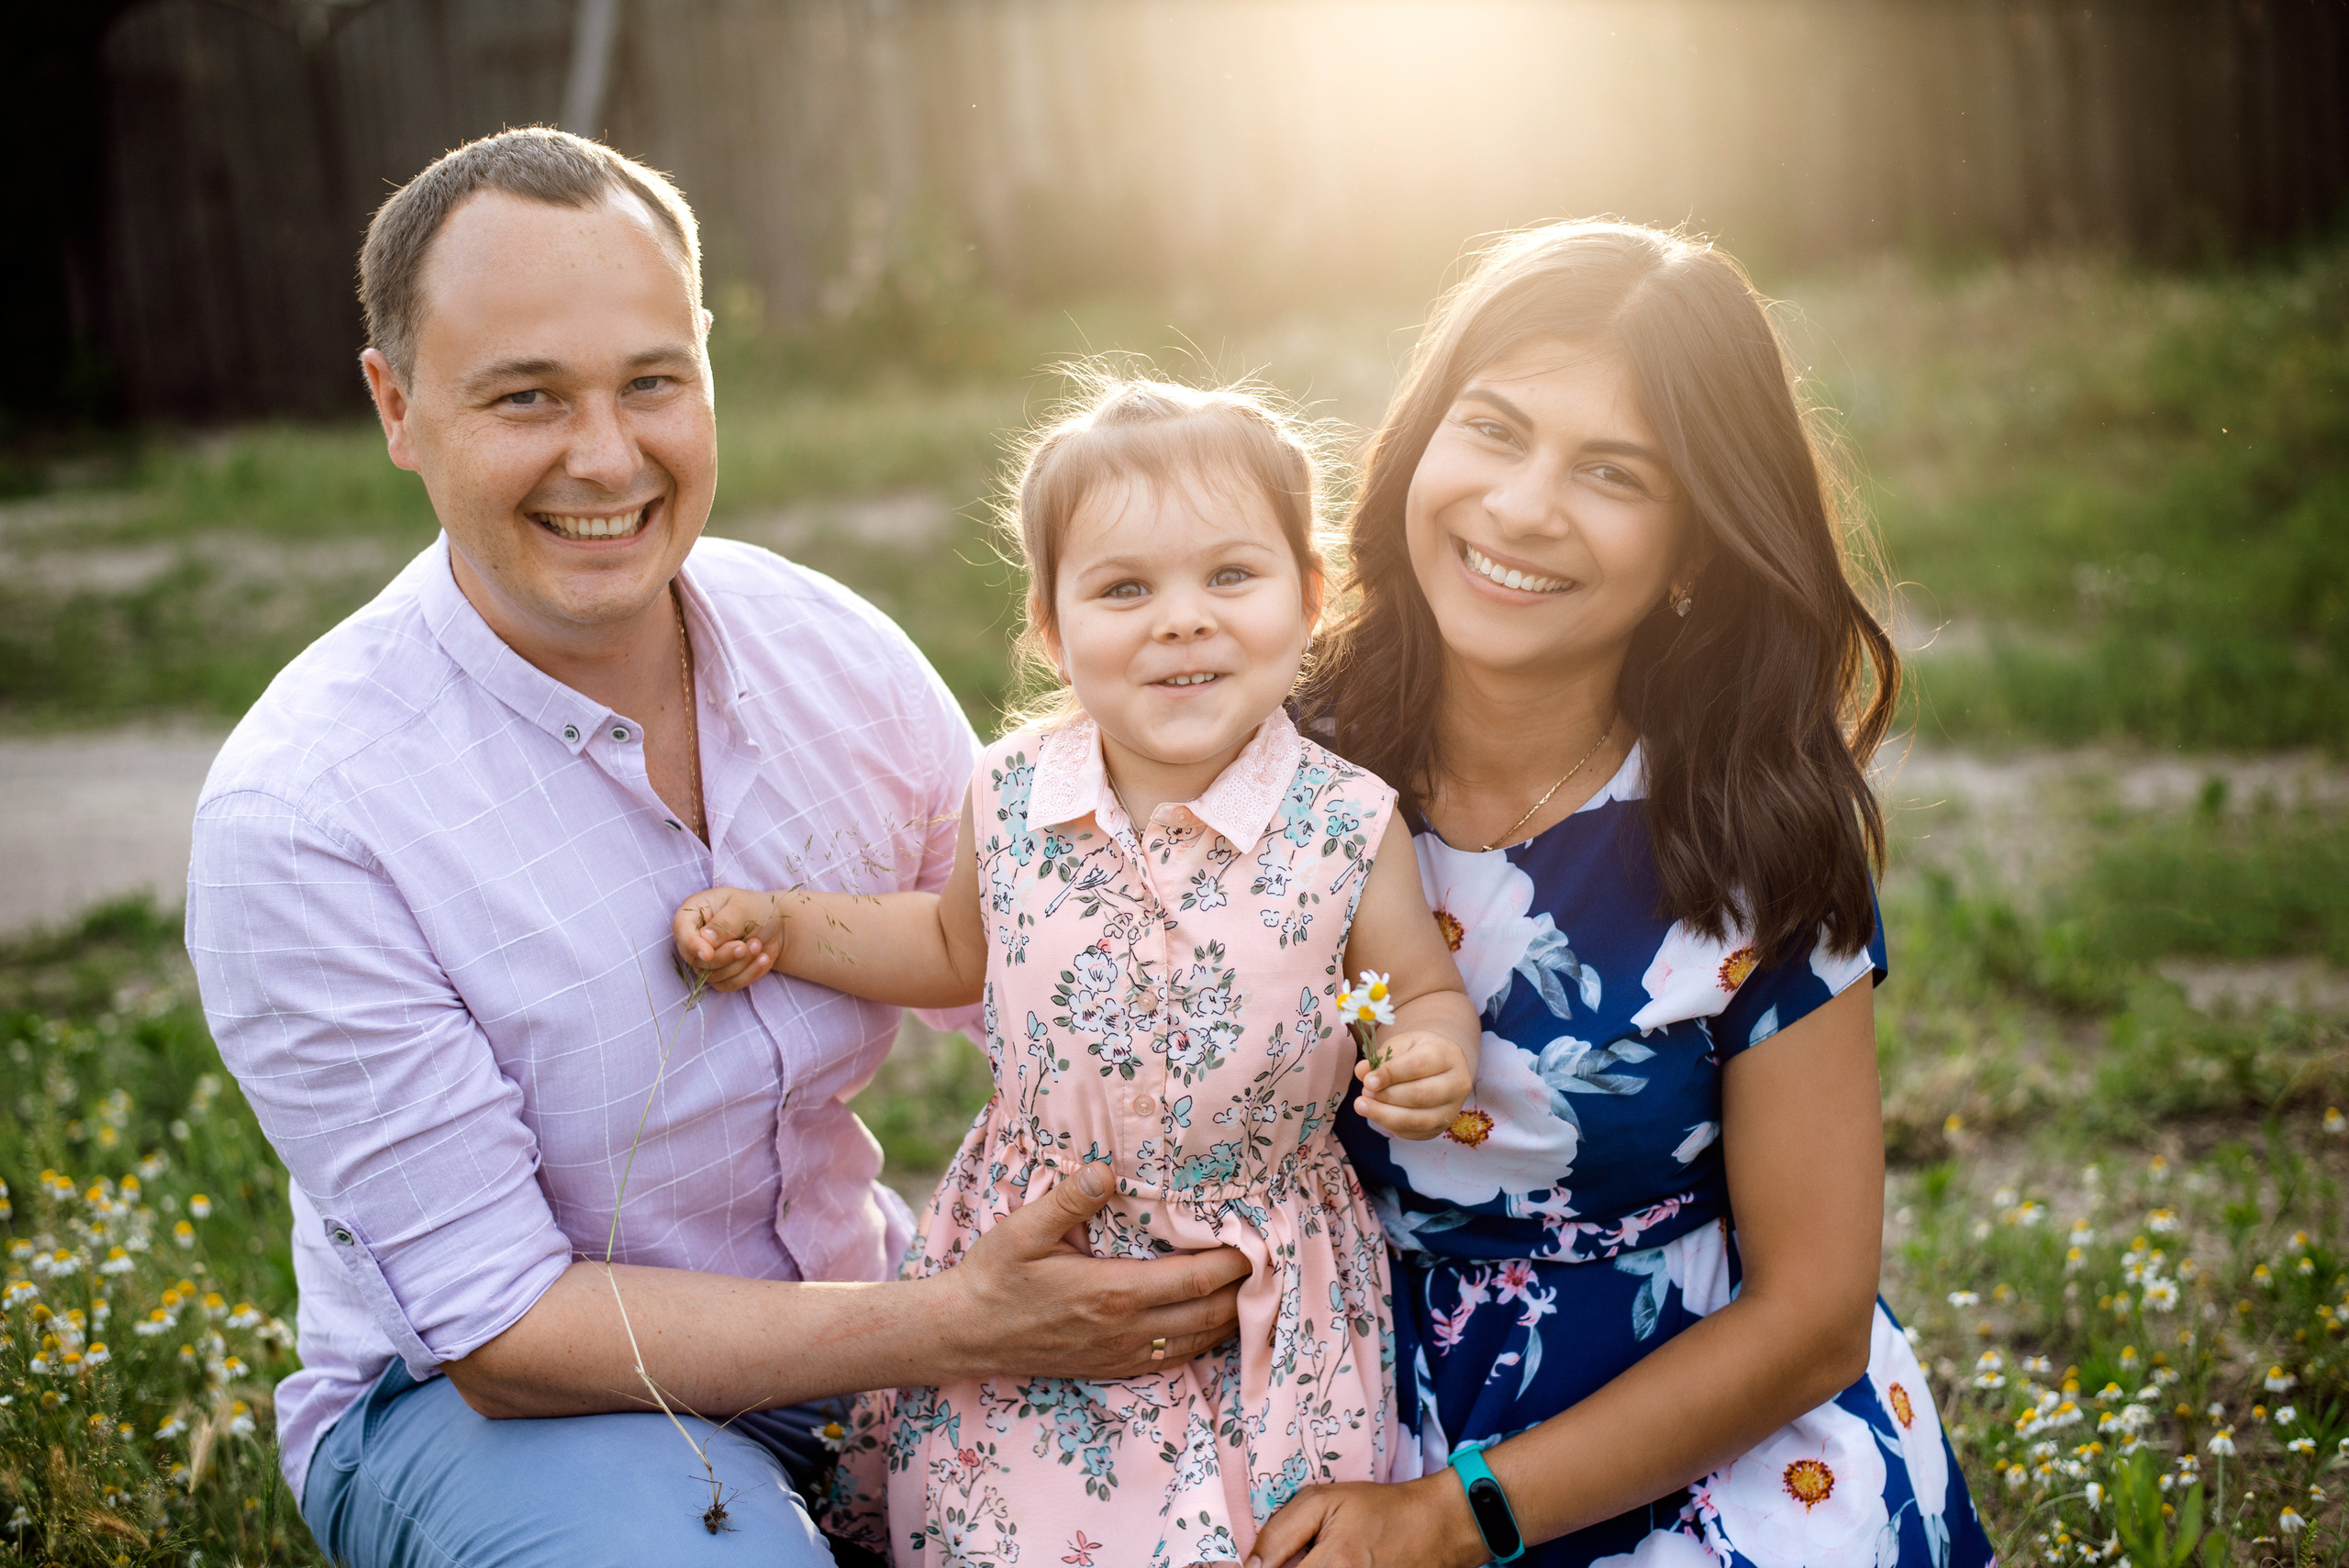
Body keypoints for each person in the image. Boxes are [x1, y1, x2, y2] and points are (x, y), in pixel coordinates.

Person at [183, 129, 1249, 1568]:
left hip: (853, 1315)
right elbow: (506, 1330)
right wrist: (958, 1326)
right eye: (526, 398)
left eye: (650, 382)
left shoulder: (832, 652)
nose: (607, 456)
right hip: (485, 1407)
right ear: (397, 404)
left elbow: (1032, 974)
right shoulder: (303, 816)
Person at [1250, 222, 1998, 1568]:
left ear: (1697, 547)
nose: (1526, 505)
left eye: (1613, 472)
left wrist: (1453, 1516)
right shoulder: (1270, 757)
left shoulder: (1751, 830)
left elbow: (1815, 1309)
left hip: (1693, 1438)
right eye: (1494, 428)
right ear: (1422, 439)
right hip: (1322, 1395)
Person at [672, 373, 1483, 1567]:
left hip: (1252, 1276)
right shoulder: (1012, 796)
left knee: (1250, 1534)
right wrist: (786, 928)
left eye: (1230, 576)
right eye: (1124, 588)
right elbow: (949, 945)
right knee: (992, 1523)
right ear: (1051, 627)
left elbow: (1417, 987)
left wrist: (1427, 1051)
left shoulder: (1348, 823)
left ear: (1309, 598)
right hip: (1036, 1238)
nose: (1182, 619)